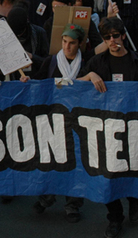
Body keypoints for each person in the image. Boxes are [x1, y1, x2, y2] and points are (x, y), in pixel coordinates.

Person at [77, 17, 138, 238]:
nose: (112, 41)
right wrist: (89, 76)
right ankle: (115, 218)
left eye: (115, 36)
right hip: (104, 127)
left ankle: (134, 199)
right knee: (107, 174)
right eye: (107, 37)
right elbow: (75, 85)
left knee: (129, 170)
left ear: (123, 36)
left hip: (131, 127)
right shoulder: (97, 62)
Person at [29, 24, 93, 221]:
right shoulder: (52, 61)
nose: (67, 46)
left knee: (76, 163)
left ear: (80, 44)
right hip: (54, 119)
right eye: (64, 42)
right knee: (51, 160)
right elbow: (39, 82)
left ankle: (73, 205)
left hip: (79, 121)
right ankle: (47, 197)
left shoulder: (88, 64)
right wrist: (27, 81)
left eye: (72, 43)